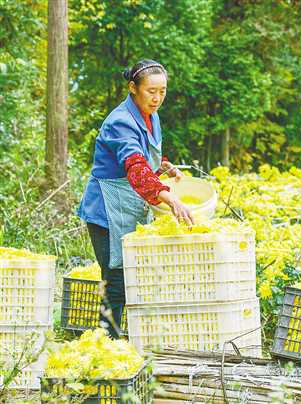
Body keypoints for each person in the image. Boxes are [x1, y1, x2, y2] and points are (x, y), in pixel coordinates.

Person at [77, 60, 194, 338]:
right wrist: (171, 200)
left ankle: (123, 338)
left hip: (130, 205)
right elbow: (135, 165)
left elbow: (146, 154)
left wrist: (164, 165)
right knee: (116, 280)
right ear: (133, 88)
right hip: (107, 209)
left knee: (132, 276)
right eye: (151, 91)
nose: (157, 98)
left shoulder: (150, 115)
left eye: (162, 91)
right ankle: (108, 345)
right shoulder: (120, 121)